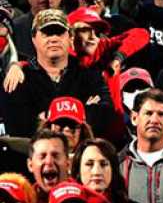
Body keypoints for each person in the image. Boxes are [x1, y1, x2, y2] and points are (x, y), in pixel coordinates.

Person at [4, 8, 114, 138]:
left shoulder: (90, 75)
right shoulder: (18, 77)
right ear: (33, 38)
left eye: (59, 33)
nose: (54, 39)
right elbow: (18, 127)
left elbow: (104, 117)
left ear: (70, 37)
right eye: (47, 33)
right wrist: (81, 111)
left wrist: (44, 118)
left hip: (82, 153)